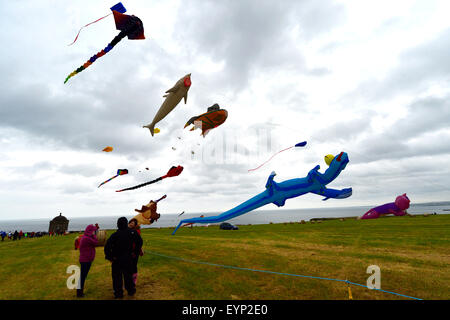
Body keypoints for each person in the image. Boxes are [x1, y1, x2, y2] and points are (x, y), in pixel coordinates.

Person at [104, 217, 142, 298]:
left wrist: (110, 257)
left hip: (117, 259)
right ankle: (130, 290)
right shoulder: (132, 232)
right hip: (128, 258)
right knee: (128, 275)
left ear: (118, 224)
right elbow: (139, 242)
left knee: (117, 277)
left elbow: (107, 247)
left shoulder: (115, 235)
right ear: (126, 223)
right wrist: (135, 252)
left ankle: (118, 293)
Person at [77, 225, 98, 298]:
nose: (94, 232)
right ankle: (79, 293)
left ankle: (79, 292)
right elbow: (96, 242)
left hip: (86, 259)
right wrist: (94, 236)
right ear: (90, 231)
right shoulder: (87, 238)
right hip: (85, 260)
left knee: (83, 276)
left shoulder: (86, 237)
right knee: (82, 277)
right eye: (93, 231)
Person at [128, 218, 144, 285]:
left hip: (135, 251)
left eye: (133, 223)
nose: (131, 224)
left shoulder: (136, 231)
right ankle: (129, 278)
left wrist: (139, 250)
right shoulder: (127, 230)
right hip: (128, 251)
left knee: (134, 265)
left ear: (135, 224)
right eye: (130, 222)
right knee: (129, 265)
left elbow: (139, 242)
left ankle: (134, 279)